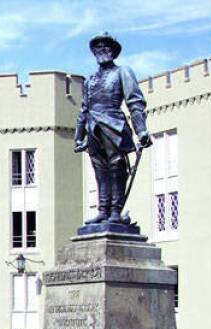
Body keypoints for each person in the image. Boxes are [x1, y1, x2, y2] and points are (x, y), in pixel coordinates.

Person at [75, 32, 151, 224]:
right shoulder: (90, 80)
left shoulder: (122, 72)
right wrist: (79, 136)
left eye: (107, 47)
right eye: (98, 47)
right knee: (99, 169)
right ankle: (103, 210)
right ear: (93, 52)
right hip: (93, 128)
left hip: (113, 124)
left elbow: (135, 101)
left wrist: (141, 130)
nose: (103, 50)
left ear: (113, 52)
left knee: (117, 166)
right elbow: (84, 109)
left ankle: (115, 210)